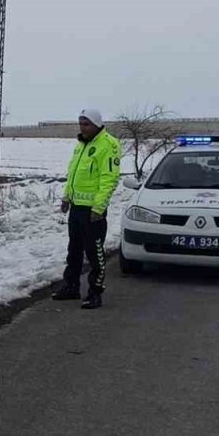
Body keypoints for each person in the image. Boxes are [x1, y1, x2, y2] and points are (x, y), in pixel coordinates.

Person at [53, 109, 122, 310]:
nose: (82, 128)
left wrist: (99, 208)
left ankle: (95, 292)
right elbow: (73, 174)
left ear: (96, 125)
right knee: (74, 250)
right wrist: (67, 197)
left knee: (94, 253)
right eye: (80, 123)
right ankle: (71, 286)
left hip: (93, 211)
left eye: (86, 124)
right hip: (76, 207)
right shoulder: (81, 145)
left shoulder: (108, 145)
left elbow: (108, 179)